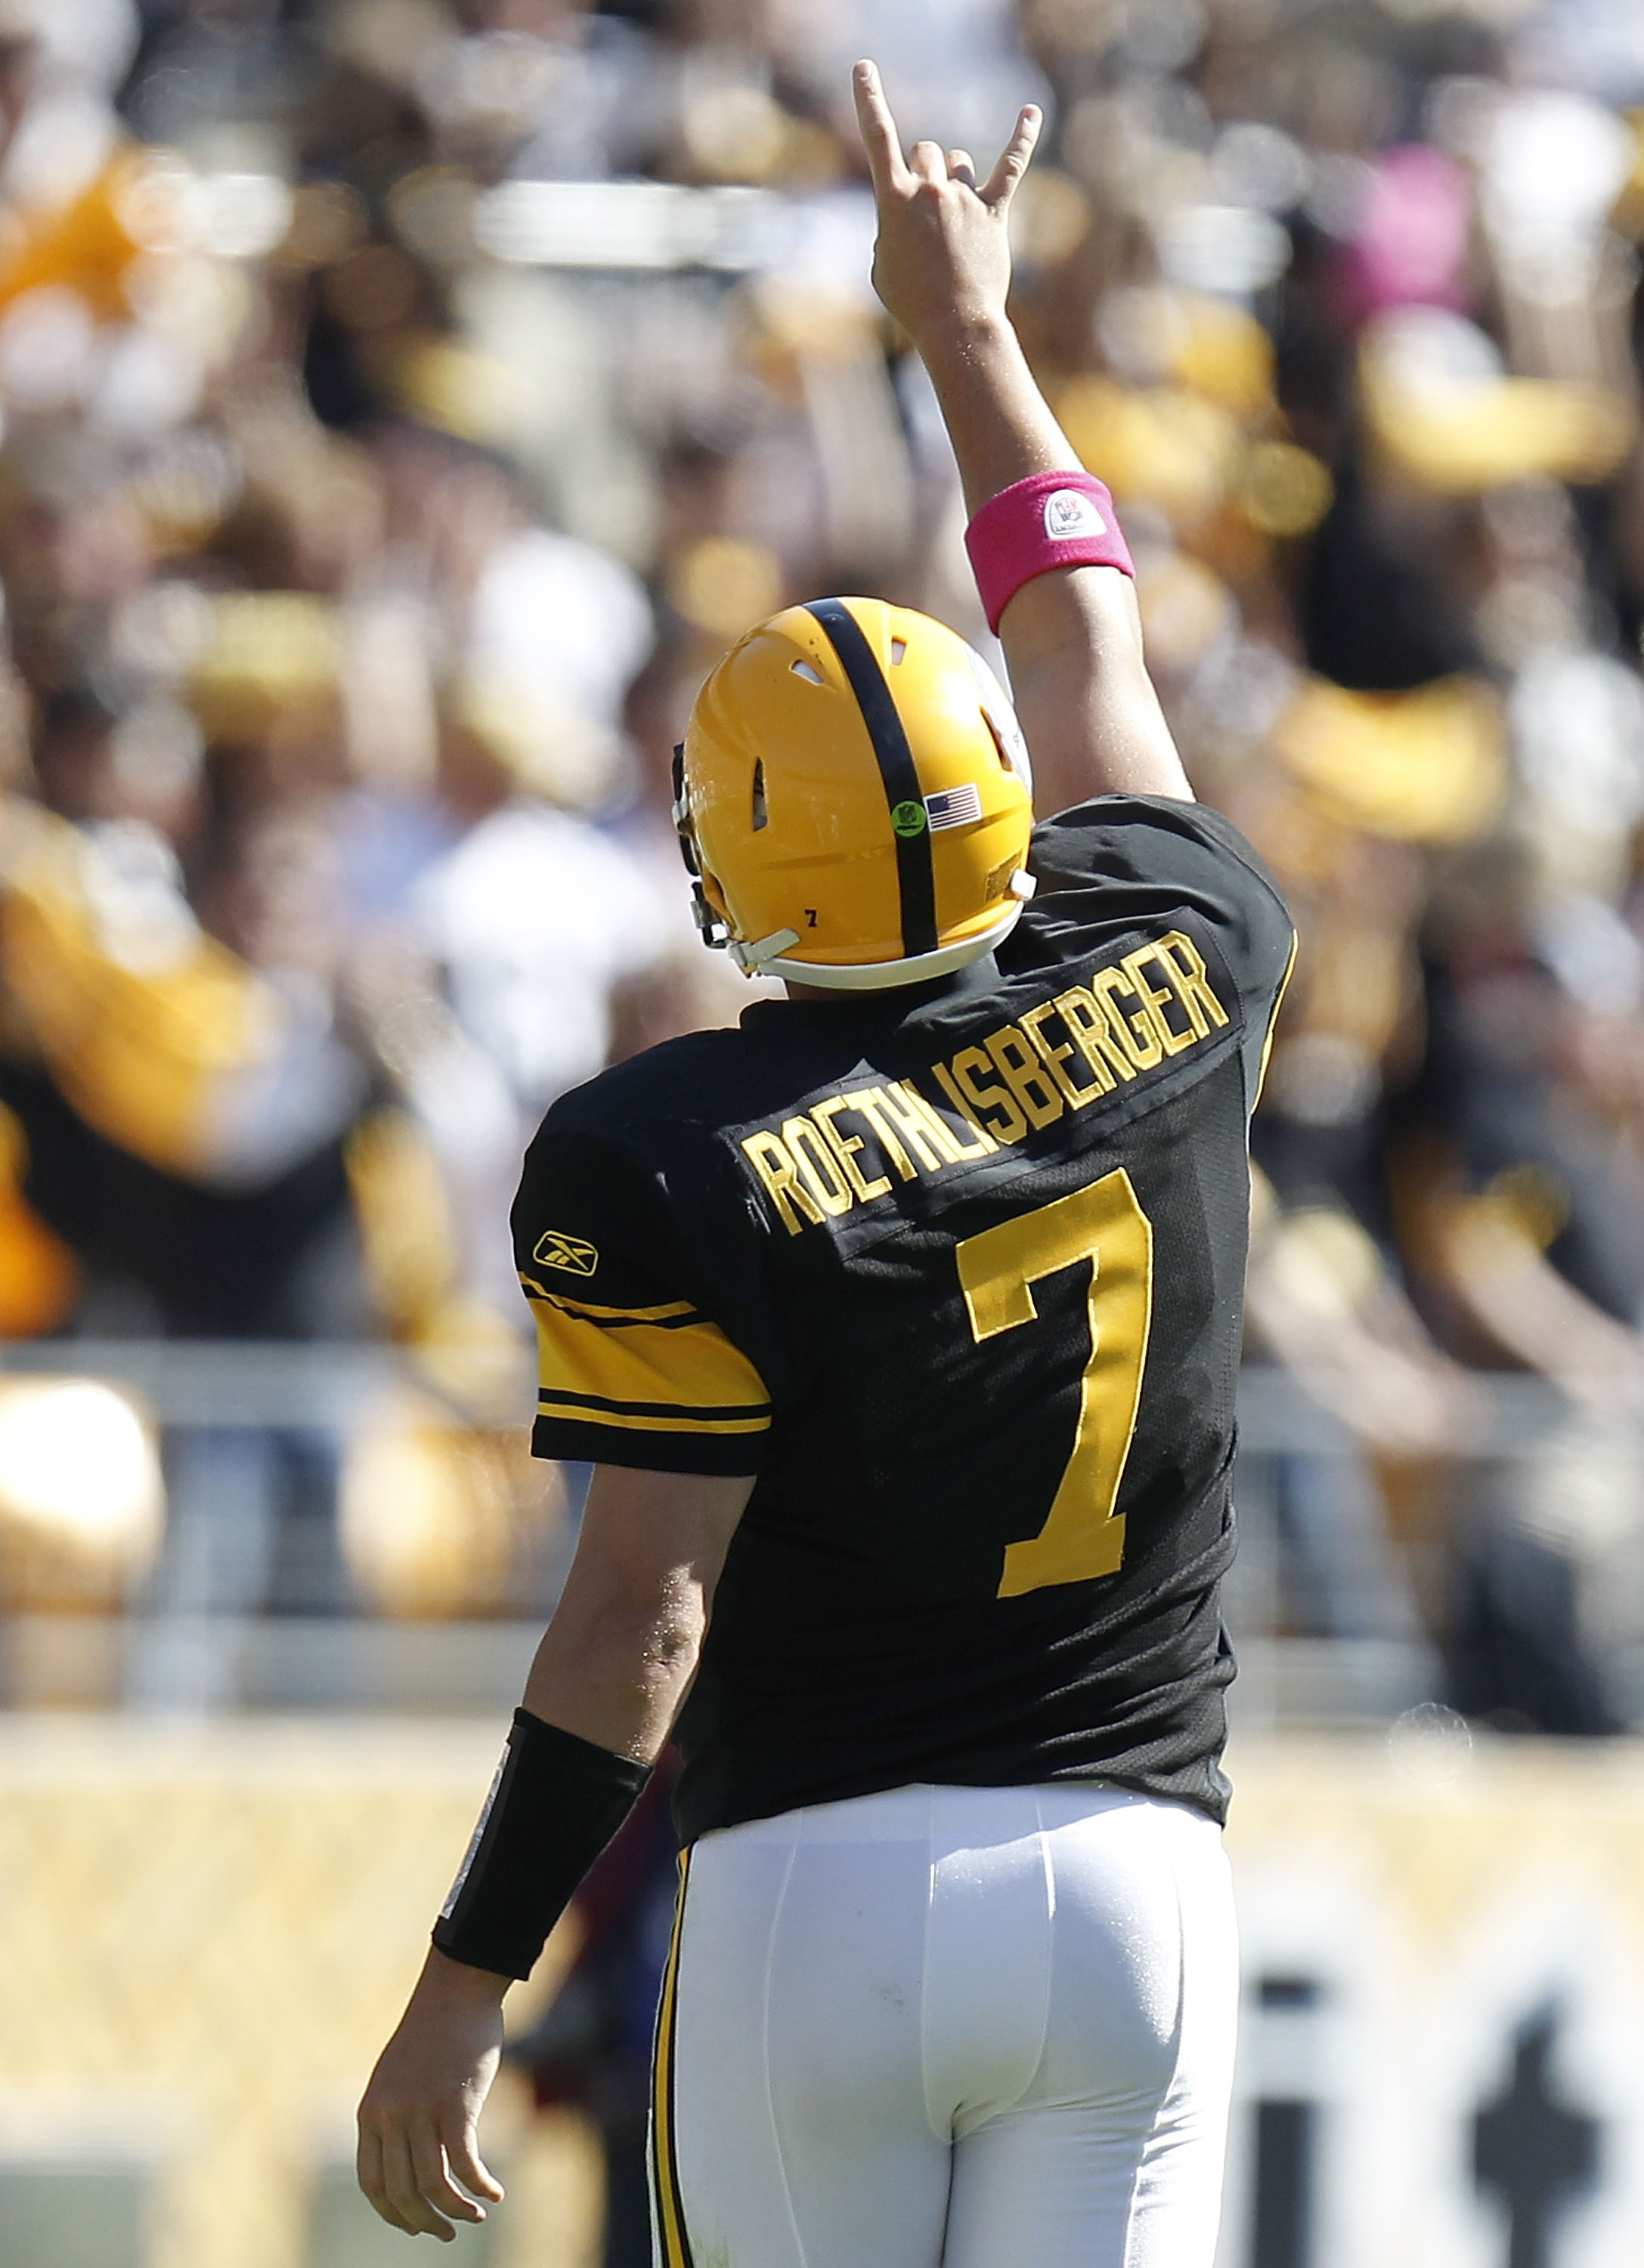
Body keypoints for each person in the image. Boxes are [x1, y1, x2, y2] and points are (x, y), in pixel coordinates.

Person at [356, 60, 1295, 2267]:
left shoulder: (666, 1153)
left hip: (820, 1898)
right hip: (1140, 1876)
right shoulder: (1181, 933)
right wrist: (963, 326)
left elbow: (643, 1614)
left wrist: (462, 1988)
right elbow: (1084, 628)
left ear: (733, 870)